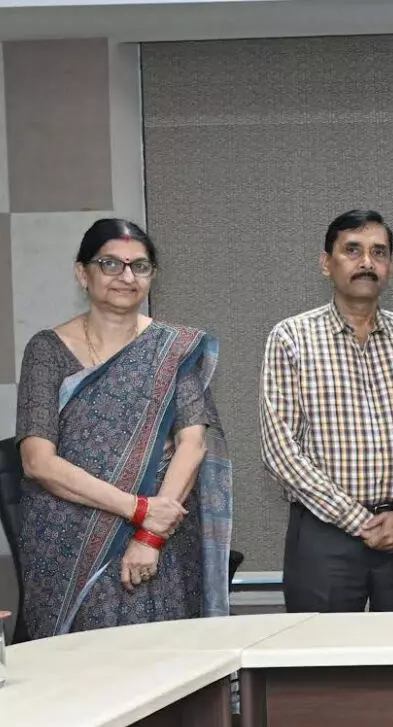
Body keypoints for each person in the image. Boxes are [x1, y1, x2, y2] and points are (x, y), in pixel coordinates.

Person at [13, 218, 231, 637]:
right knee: (83, 661)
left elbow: (193, 443)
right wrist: (137, 509)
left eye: (140, 266)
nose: (126, 277)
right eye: (110, 264)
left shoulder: (173, 349)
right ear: (83, 273)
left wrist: (149, 534)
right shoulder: (47, 350)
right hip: (69, 538)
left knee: (164, 656)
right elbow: (37, 461)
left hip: (158, 537)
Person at [260, 210, 393, 613]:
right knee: (322, 651)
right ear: (326, 263)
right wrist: (358, 521)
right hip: (325, 535)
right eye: (352, 250)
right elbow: (281, 451)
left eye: (378, 252)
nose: (367, 262)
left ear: (390, 266)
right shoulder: (291, 339)